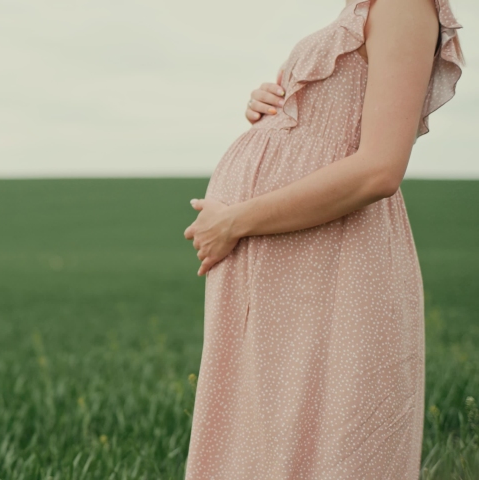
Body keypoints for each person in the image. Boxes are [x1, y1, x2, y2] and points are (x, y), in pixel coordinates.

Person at [182, 0, 464, 477]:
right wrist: (275, 107)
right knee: (266, 440)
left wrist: (235, 221)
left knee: (327, 441)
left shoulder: (404, 5)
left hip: (335, 262)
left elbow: (379, 169)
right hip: (293, 266)